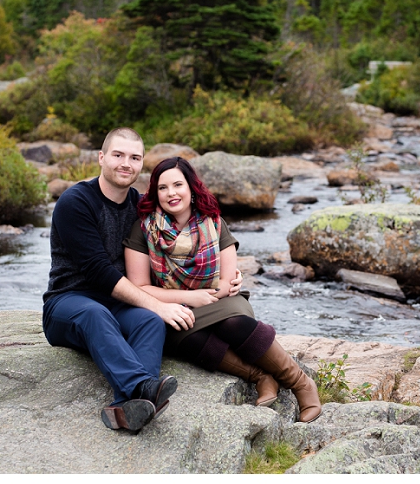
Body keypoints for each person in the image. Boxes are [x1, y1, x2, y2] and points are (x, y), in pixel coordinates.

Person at [42, 128, 242, 433]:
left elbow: (186, 233)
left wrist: (227, 275)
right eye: (118, 155)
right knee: (98, 313)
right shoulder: (76, 202)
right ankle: (144, 387)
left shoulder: (140, 205)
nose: (126, 163)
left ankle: (128, 409)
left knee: (149, 321)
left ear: (141, 164)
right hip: (67, 303)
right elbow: (98, 271)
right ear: (101, 157)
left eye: (134, 157)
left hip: (117, 302)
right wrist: (159, 304)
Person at [123, 157, 322, 423]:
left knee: (232, 323)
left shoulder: (213, 222)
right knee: (185, 334)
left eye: (178, 185)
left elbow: (227, 283)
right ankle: (261, 377)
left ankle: (301, 383)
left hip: (222, 299)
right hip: (173, 306)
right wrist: (189, 297)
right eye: (162, 188)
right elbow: (139, 287)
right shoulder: (143, 229)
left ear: (192, 188)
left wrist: (208, 295)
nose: (171, 193)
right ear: (154, 192)